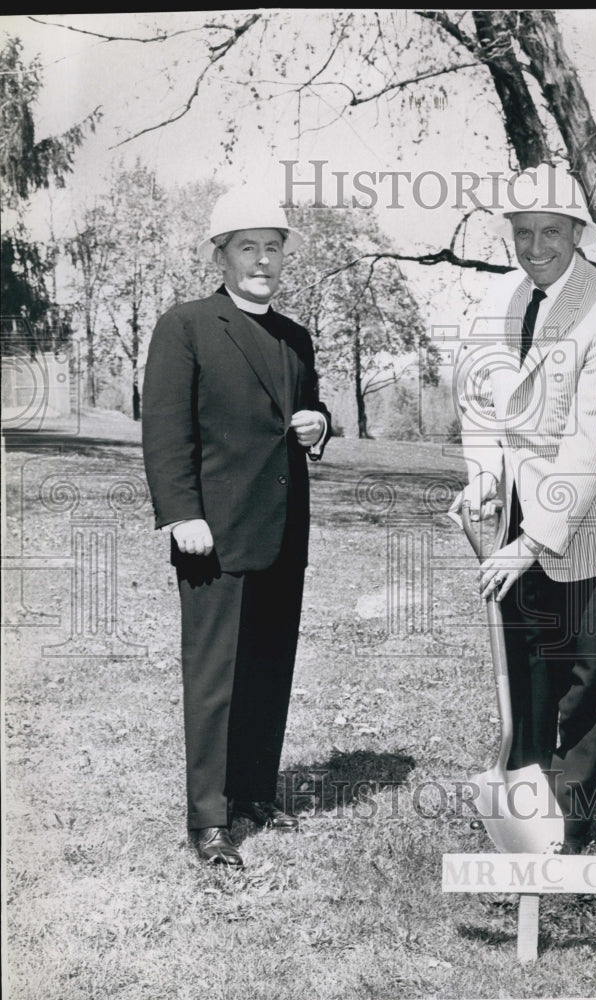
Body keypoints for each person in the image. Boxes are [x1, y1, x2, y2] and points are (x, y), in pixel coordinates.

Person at [450, 163, 596, 853]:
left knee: (580, 672)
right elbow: (478, 398)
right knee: (528, 661)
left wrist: (533, 541)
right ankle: (527, 808)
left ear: (577, 235)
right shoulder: (500, 300)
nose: (535, 247)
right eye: (523, 232)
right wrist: (483, 476)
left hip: (589, 520)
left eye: (551, 233)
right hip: (516, 516)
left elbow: (594, 443)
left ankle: (572, 821)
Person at [142, 186, 331, 867]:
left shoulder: (296, 336)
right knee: (215, 675)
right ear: (221, 255)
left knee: (268, 668)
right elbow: (164, 430)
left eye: (273, 248)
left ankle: (253, 794)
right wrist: (181, 513)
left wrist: (320, 424)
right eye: (247, 247)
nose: (262, 260)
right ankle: (209, 820)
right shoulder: (186, 324)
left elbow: (307, 411)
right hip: (211, 535)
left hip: (283, 533)